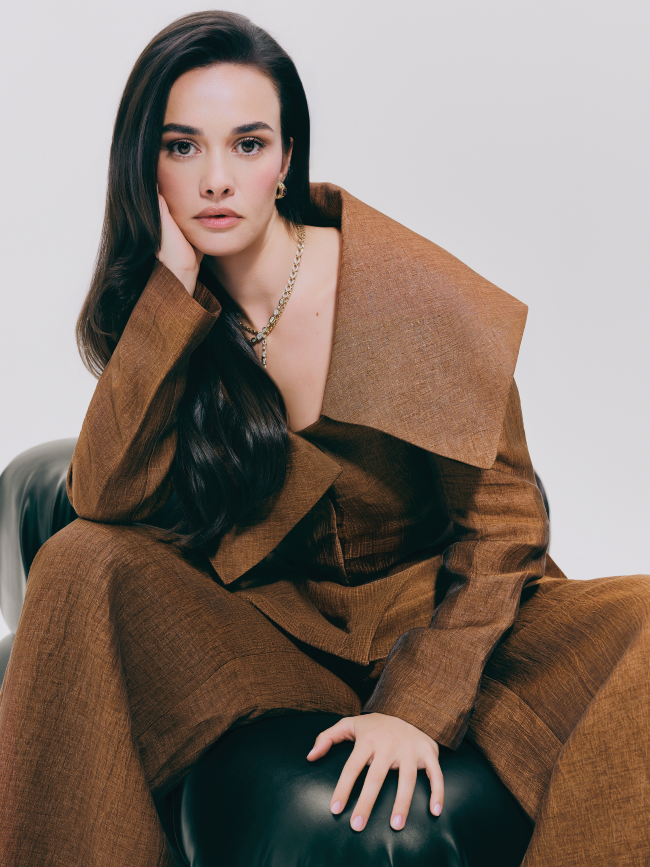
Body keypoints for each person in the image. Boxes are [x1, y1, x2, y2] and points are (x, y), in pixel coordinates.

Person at [0, 10, 648, 867]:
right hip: (279, 634)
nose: (217, 180)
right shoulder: (174, 308)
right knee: (81, 558)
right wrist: (170, 293)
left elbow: (505, 528)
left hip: (446, 625)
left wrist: (414, 706)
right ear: (145, 166)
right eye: (183, 147)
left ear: (286, 160)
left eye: (248, 144)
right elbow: (105, 496)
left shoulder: (400, 289)